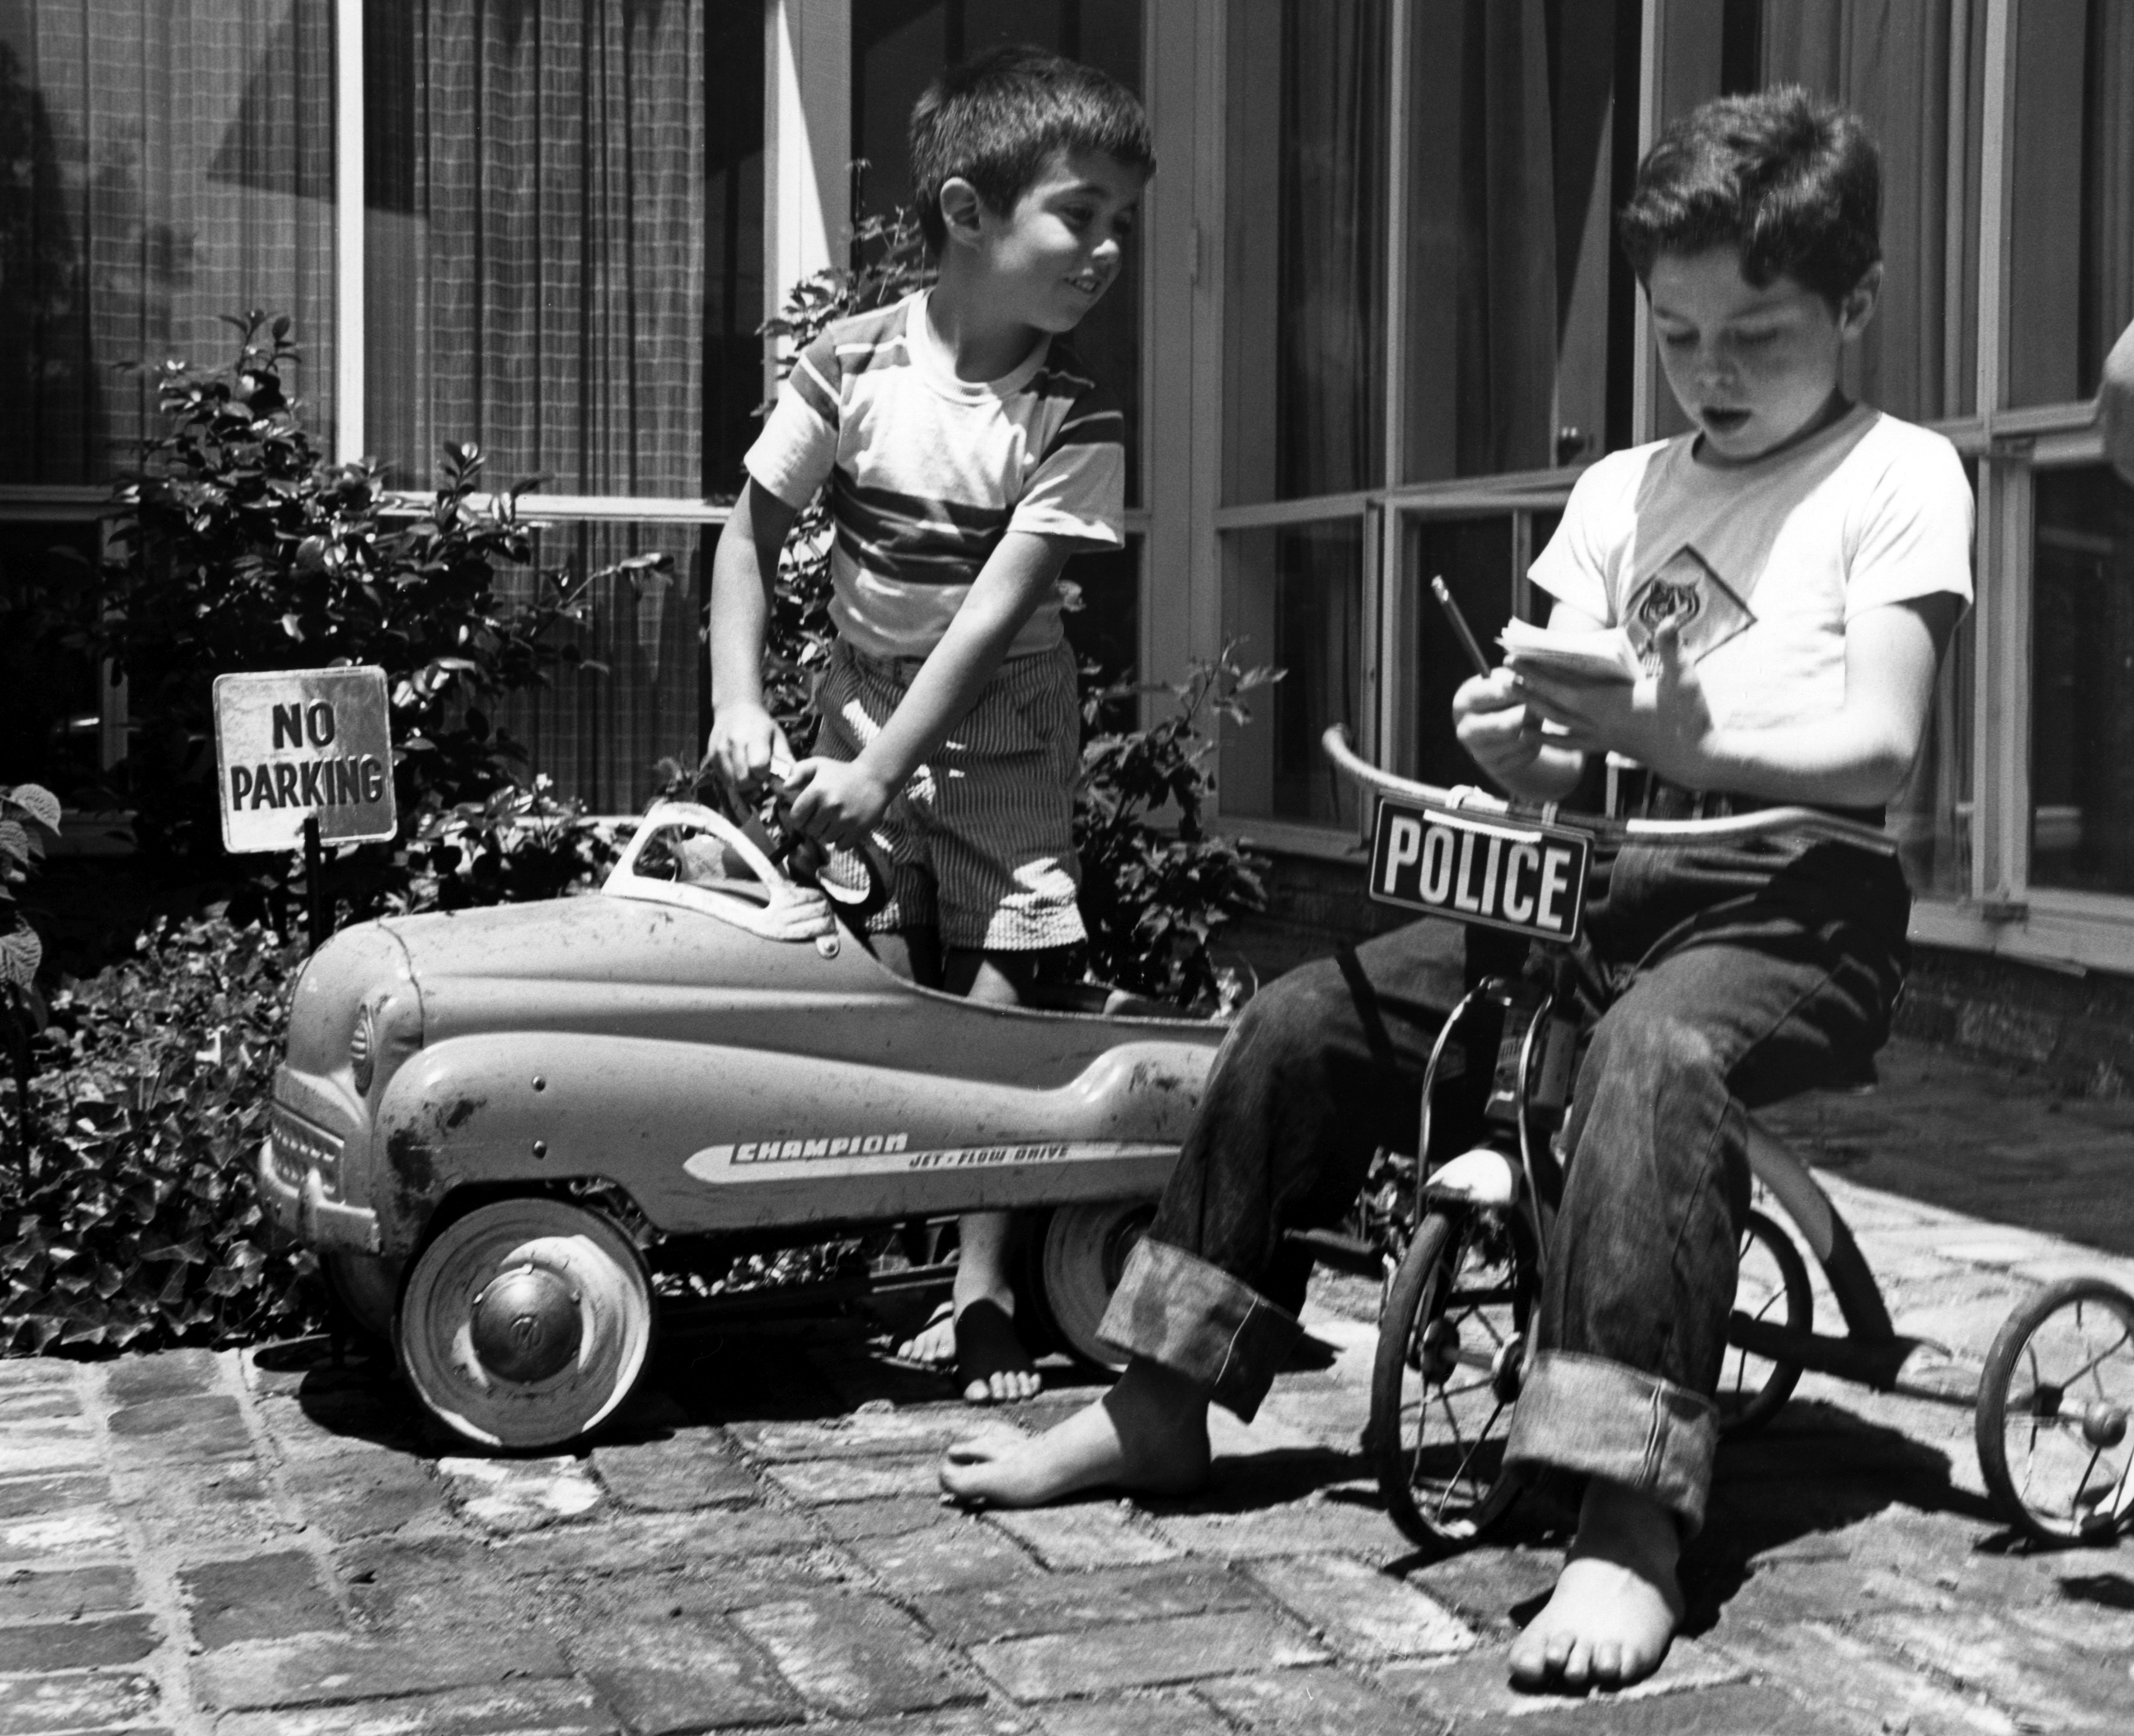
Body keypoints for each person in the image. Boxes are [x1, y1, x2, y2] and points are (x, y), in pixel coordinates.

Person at [940, 86, 1974, 1694]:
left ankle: (1628, 1514)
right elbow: (1555, 740)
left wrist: (1667, 724)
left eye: (1758, 333)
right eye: (1677, 331)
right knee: (1304, 1019)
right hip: (1605, 880)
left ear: (1853, 305)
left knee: (1652, 1059)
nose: (1711, 368)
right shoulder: (1626, 490)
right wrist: (1518, 739)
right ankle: (1162, 1400)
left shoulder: (1896, 474)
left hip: (1796, 903)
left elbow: (1878, 745)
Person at [707, 46, 1152, 1406]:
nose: (1108, 248)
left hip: (1000, 711)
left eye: (1122, 221)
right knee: (876, 948)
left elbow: (985, 625)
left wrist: (878, 769)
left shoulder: (1078, 416)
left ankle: (982, 1291)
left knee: (1007, 955)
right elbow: (749, 535)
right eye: (1081, 214)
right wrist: (740, 702)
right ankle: (855, 1221)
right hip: (857, 688)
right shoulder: (852, 364)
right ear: (967, 214)